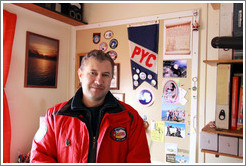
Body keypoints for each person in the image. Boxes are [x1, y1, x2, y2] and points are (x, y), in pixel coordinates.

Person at [30, 49, 151, 163]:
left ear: (111, 78)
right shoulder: (54, 116)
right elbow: (40, 157)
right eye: (93, 73)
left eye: (105, 75)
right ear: (80, 75)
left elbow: (140, 161)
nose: (99, 80)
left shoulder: (130, 119)